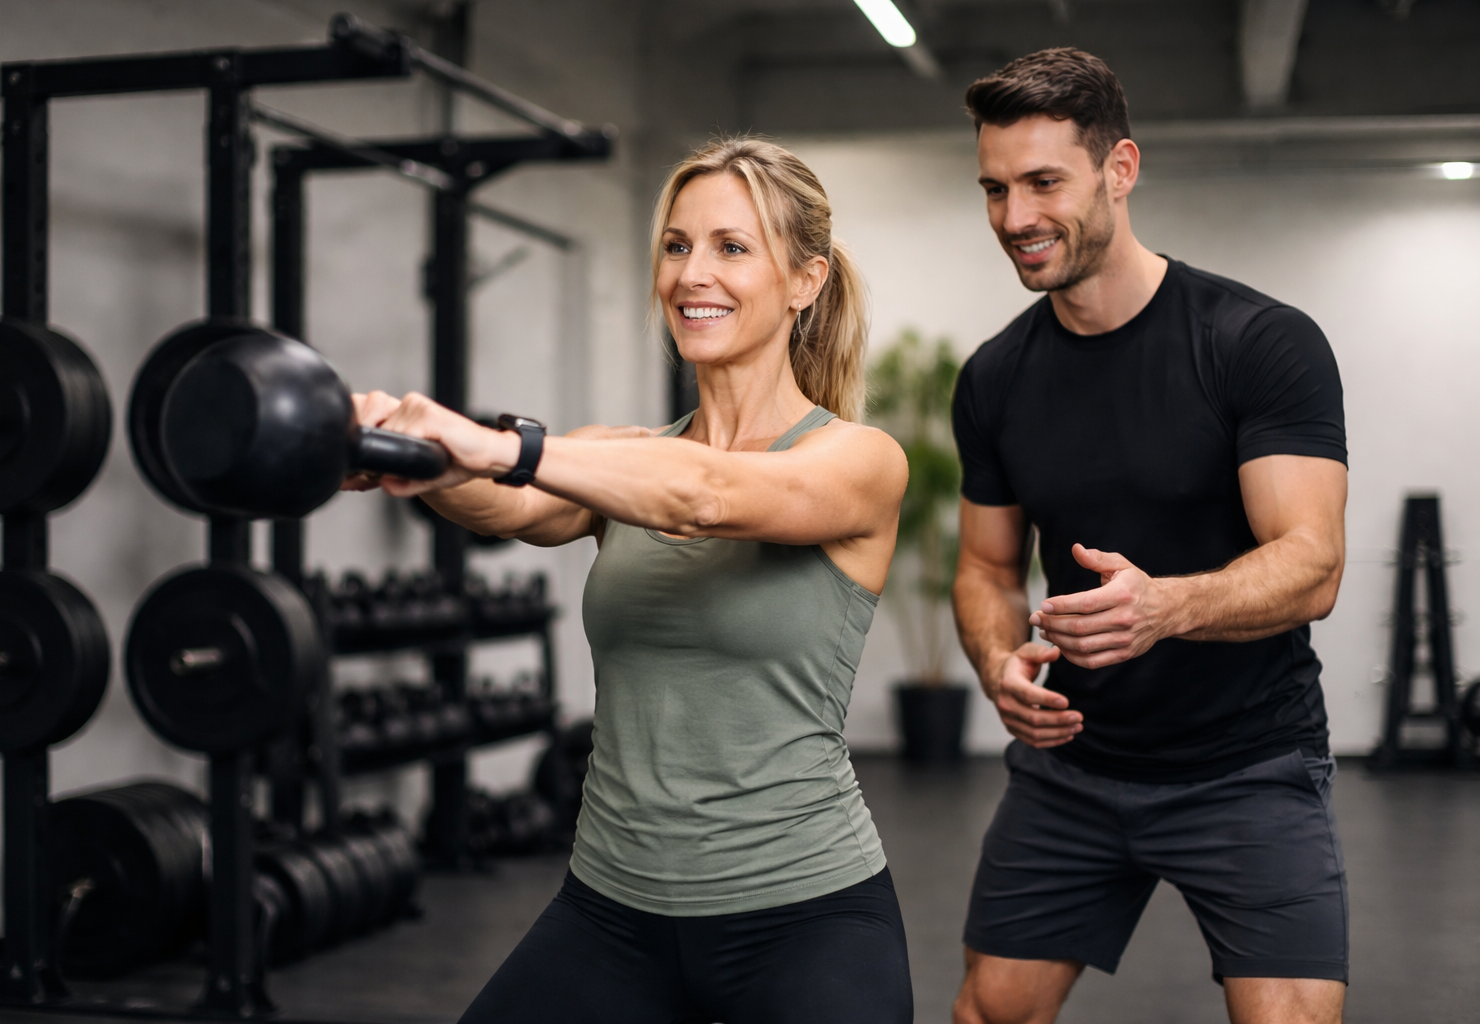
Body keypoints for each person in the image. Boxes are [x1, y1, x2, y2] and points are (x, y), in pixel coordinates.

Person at [346, 137, 913, 1024]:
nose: (694, 274)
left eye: (732, 247)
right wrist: (413, 460)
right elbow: (514, 512)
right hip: (612, 909)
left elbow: (708, 498)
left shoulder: (857, 460)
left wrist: (497, 445)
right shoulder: (624, 455)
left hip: (803, 915)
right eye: (678, 246)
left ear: (805, 281)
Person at [948, 49, 1350, 1024]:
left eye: (1045, 182)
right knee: (991, 1011)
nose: (1015, 217)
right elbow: (985, 565)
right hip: (1075, 766)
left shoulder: (1256, 341)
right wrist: (1002, 660)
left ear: (1119, 170)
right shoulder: (997, 377)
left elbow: (1312, 564)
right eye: (995, 188)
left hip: (1249, 762)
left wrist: (1166, 606)